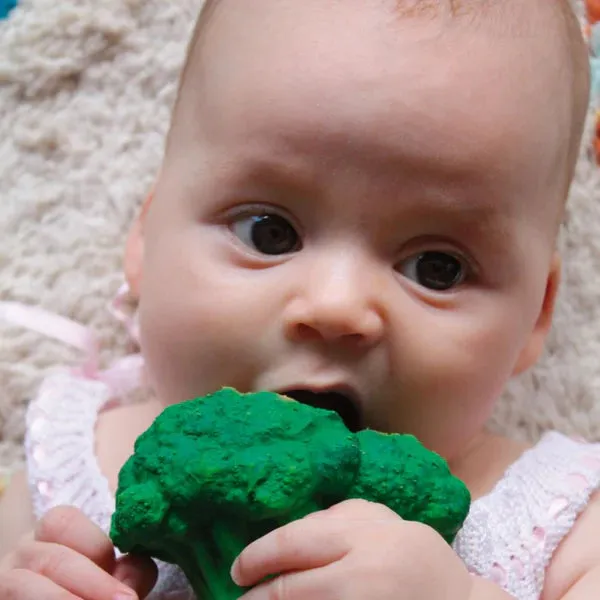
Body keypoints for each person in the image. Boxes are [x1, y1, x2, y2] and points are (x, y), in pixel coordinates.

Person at [0, 0, 595, 598]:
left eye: (436, 269)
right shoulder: (66, 474)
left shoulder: (564, 521)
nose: (336, 306)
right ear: (148, 238)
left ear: (535, 315)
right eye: (268, 232)